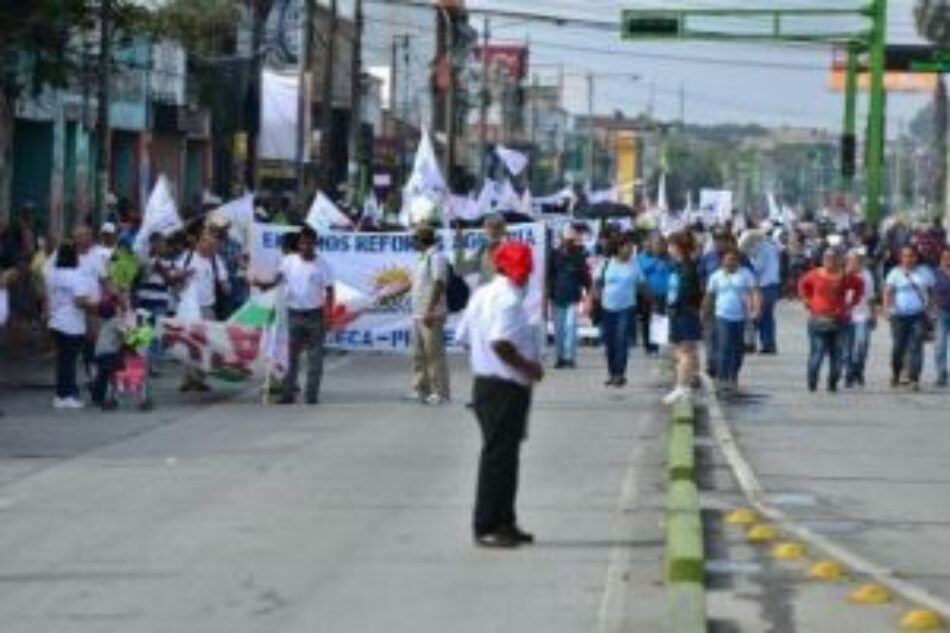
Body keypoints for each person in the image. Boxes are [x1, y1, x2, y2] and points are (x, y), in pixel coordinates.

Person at [456, 241, 543, 549]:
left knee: (506, 458)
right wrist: (529, 367)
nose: (524, 277)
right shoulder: (507, 299)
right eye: (521, 272)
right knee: (497, 459)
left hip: (487, 383)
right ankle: (488, 524)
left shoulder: (482, 294)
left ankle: (505, 520)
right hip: (504, 386)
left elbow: (463, 336)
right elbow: (500, 343)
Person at [255, 225, 335, 405]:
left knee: (315, 359)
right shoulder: (289, 261)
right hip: (294, 315)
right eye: (303, 243)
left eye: (309, 243)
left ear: (315, 244)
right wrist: (262, 284)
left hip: (315, 315)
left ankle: (311, 395)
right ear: (298, 244)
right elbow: (277, 281)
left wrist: (328, 315)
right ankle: (287, 394)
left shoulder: (323, 265)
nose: (306, 247)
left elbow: (330, 291)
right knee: (290, 357)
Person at [798, 249, 864, 393]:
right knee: (818, 353)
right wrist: (806, 300)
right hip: (818, 321)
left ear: (839, 260)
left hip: (840, 321)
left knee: (837, 355)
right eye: (827, 258)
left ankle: (832, 382)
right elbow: (803, 284)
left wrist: (852, 303)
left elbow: (859, 285)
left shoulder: (846, 276)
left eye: (834, 258)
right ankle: (812, 379)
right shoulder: (815, 274)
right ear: (823, 259)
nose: (830, 261)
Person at [702, 247, 760, 394]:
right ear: (722, 261)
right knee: (724, 347)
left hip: (741, 317)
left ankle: (733, 376)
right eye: (728, 260)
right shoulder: (716, 276)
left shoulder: (746, 274)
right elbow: (709, 296)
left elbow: (755, 292)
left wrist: (756, 309)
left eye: (734, 260)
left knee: (738, 350)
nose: (731, 263)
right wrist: (703, 313)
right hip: (722, 316)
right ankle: (722, 378)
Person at [45, 242, 96, 409]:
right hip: (71, 323)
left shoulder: (53, 275)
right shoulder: (75, 275)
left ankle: (60, 395)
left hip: (56, 321)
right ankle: (68, 395)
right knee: (69, 361)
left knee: (62, 360)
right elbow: (79, 300)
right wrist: (95, 304)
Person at [179, 231, 230, 391]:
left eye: (213, 245)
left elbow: (223, 280)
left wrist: (225, 285)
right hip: (189, 307)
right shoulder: (187, 257)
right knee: (189, 344)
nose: (211, 247)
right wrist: (184, 274)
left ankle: (199, 379)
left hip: (208, 307)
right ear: (199, 242)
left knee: (206, 345)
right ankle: (188, 379)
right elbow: (175, 275)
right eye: (207, 243)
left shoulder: (215, 260)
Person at [409, 224, 451, 405]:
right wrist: (389, 294)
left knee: (434, 354)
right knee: (419, 354)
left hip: (430, 314)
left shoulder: (436, 257)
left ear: (422, 239)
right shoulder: (421, 258)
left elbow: (439, 283)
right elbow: (413, 283)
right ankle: (421, 389)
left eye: (414, 239)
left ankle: (440, 392)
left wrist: (430, 310)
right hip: (418, 313)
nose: (412, 242)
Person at [595, 232, 643, 387]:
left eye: (631, 247)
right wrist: (594, 298)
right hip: (607, 308)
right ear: (618, 247)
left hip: (626, 308)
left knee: (622, 340)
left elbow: (641, 283)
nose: (630, 250)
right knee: (609, 343)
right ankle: (611, 373)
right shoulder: (606, 263)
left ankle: (619, 374)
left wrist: (653, 300)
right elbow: (597, 282)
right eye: (627, 247)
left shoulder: (634, 264)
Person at [884, 245, 935, 391]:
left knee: (916, 347)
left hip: (918, 315)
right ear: (901, 258)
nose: (908, 259)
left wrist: (931, 310)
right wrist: (888, 309)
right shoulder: (894, 273)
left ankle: (914, 378)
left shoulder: (925, 272)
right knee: (898, 348)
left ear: (916, 257)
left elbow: (932, 292)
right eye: (905, 256)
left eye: (911, 256)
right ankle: (896, 372)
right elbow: (888, 292)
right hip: (898, 316)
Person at [664, 231, 704, 405]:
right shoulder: (678, 266)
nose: (668, 249)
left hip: (685, 313)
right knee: (682, 351)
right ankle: (686, 385)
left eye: (671, 245)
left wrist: (675, 305)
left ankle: (682, 387)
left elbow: (687, 293)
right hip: (679, 312)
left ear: (678, 248)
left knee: (685, 351)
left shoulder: (687, 267)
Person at [547, 224, 590, 369]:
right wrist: (547, 294)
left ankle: (570, 357)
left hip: (573, 295)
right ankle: (560, 358)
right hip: (557, 295)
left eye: (571, 240)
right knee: (559, 329)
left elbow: (585, 276)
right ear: (561, 239)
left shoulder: (579, 255)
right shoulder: (553, 254)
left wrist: (588, 293)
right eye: (567, 240)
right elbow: (548, 275)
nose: (569, 242)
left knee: (571, 327)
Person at [842, 249, 877, 388]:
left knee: (862, 345)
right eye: (850, 261)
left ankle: (858, 369)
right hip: (845, 316)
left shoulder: (867, 275)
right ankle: (849, 374)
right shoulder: (842, 275)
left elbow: (871, 297)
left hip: (863, 315)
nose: (853, 264)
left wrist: (873, 315)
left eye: (856, 261)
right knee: (846, 349)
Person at [638, 233, 671, 356]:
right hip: (649, 293)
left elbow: (672, 271)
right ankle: (649, 346)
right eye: (656, 244)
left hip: (664, 293)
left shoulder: (668, 258)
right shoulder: (643, 257)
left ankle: (657, 346)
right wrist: (655, 260)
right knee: (649, 320)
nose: (659, 247)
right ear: (651, 245)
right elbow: (642, 270)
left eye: (661, 244)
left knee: (660, 319)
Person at [752, 229, 783, 354]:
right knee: (768, 316)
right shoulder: (771, 246)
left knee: (761, 315)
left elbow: (758, 266)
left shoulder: (761, 247)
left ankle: (765, 344)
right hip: (773, 283)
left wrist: (749, 259)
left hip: (764, 285)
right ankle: (769, 343)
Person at [455, 213, 507, 285]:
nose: (493, 231)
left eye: (497, 227)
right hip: (486, 294)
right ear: (485, 229)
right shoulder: (482, 252)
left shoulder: (511, 251)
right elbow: (460, 269)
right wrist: (459, 243)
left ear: (503, 230)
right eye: (490, 226)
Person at [934, 247, 950, 387]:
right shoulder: (935, 273)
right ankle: (941, 373)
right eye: (945, 258)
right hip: (942, 312)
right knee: (940, 345)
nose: (947, 260)